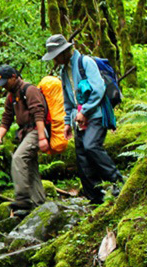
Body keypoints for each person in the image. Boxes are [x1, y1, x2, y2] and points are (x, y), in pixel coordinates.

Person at [42, 33, 123, 204]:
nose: (55, 61)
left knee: (91, 146)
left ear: (65, 52)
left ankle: (117, 181)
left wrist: (85, 111)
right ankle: (95, 197)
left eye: (56, 56)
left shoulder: (85, 63)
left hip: (96, 115)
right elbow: (67, 99)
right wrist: (67, 123)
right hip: (77, 120)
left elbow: (99, 88)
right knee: (82, 158)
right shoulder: (64, 72)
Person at [0, 65, 50, 218]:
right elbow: (6, 119)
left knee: (18, 158)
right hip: (26, 133)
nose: (3, 85)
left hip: (37, 130)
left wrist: (42, 137)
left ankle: (23, 199)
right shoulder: (11, 97)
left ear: (13, 77)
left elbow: (39, 113)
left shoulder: (29, 90)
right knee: (30, 166)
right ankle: (39, 204)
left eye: (5, 81)